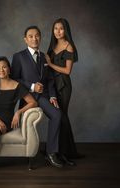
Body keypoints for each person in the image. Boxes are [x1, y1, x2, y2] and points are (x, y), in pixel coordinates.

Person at [11, 26, 63, 168]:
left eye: (37, 36)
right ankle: (43, 153)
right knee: (54, 116)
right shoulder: (19, 56)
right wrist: (32, 86)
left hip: (44, 96)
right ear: (25, 39)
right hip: (29, 96)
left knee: (57, 115)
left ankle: (51, 152)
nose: (34, 38)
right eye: (31, 36)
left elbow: (50, 79)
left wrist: (53, 96)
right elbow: (14, 78)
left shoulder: (44, 57)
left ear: (40, 37)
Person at [46, 18, 83, 163]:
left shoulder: (69, 47)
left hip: (63, 85)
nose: (58, 31)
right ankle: (65, 151)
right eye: (55, 28)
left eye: (61, 28)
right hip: (53, 86)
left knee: (62, 117)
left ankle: (63, 152)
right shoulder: (52, 45)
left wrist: (50, 64)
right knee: (60, 118)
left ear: (65, 30)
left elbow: (67, 71)